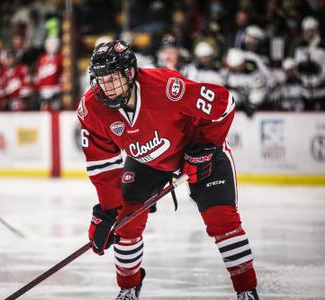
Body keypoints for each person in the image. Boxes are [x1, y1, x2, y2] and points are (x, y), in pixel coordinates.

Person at [77, 40, 258, 300]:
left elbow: (224, 103)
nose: (105, 87)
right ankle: (128, 287)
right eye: (100, 80)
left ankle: (247, 291)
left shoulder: (167, 88)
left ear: (129, 73)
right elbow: (103, 167)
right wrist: (107, 213)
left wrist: (206, 148)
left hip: (197, 150)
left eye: (112, 78)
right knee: (125, 224)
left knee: (222, 220)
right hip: (146, 161)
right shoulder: (92, 108)